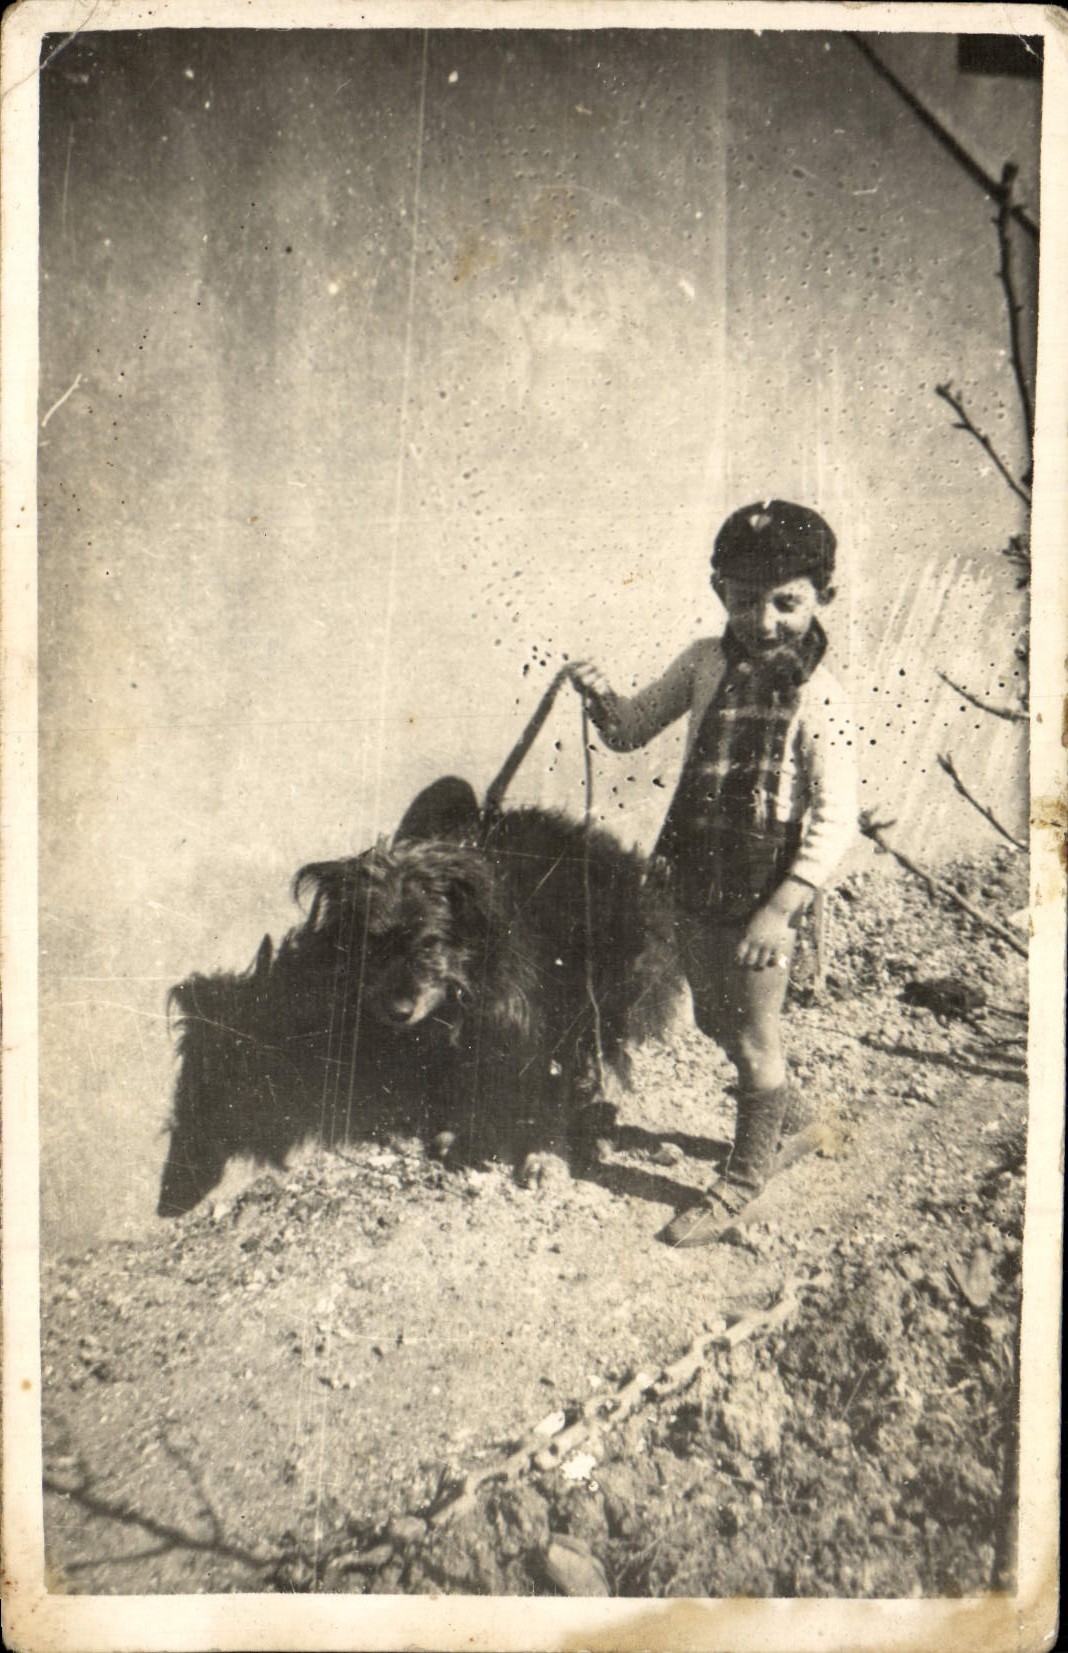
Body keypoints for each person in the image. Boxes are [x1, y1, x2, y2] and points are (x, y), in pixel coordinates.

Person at [568, 500, 857, 1246]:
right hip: (697, 874)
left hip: (766, 889)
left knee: (756, 1036)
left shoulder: (819, 696)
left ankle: (741, 1179)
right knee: (711, 1017)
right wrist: (600, 695)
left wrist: (779, 912)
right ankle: (793, 1113)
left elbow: (836, 817)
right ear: (718, 589)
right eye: (742, 598)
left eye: (786, 602)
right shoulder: (703, 662)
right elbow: (631, 729)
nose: (763, 621)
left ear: (822, 594)